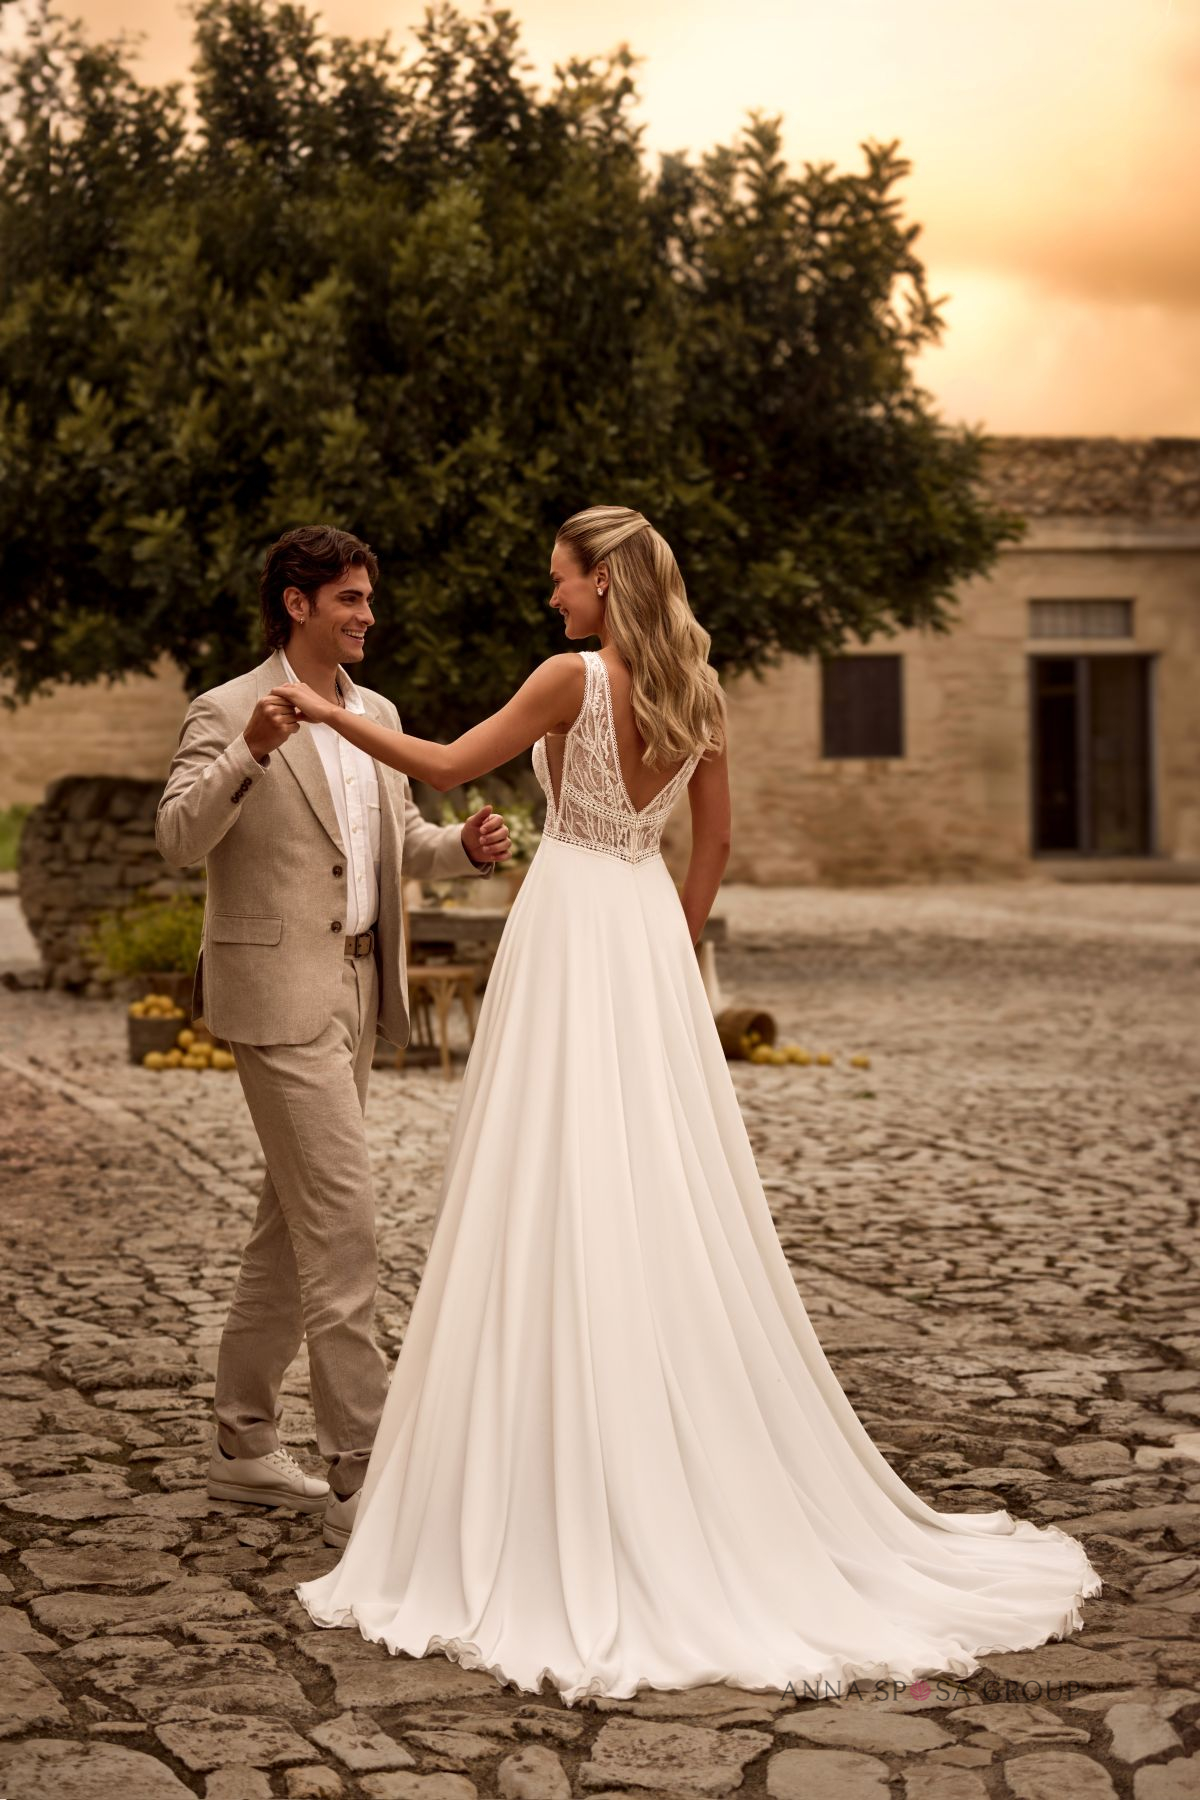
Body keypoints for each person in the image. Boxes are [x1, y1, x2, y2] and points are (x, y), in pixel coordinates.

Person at [278, 505, 1102, 1705]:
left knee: (552, 1181)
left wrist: (323, 712)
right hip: (643, 942)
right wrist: (662, 958)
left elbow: (453, 767)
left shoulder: (570, 679)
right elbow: (709, 852)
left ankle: (556, 1471)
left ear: (604, 582)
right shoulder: (697, 697)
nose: (550, 598)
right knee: (652, 1188)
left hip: (567, 929)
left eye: (560, 579)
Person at [155, 525, 511, 1550]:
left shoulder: (379, 714)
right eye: (350, 599)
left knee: (290, 1218)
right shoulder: (226, 710)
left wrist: (464, 848)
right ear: (297, 602)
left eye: (368, 598)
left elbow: (393, 846)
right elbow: (178, 838)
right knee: (344, 1219)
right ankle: (367, 1462)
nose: (367, 615)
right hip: (275, 995)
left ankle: (241, 1444)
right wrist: (251, 752)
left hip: (359, 992)